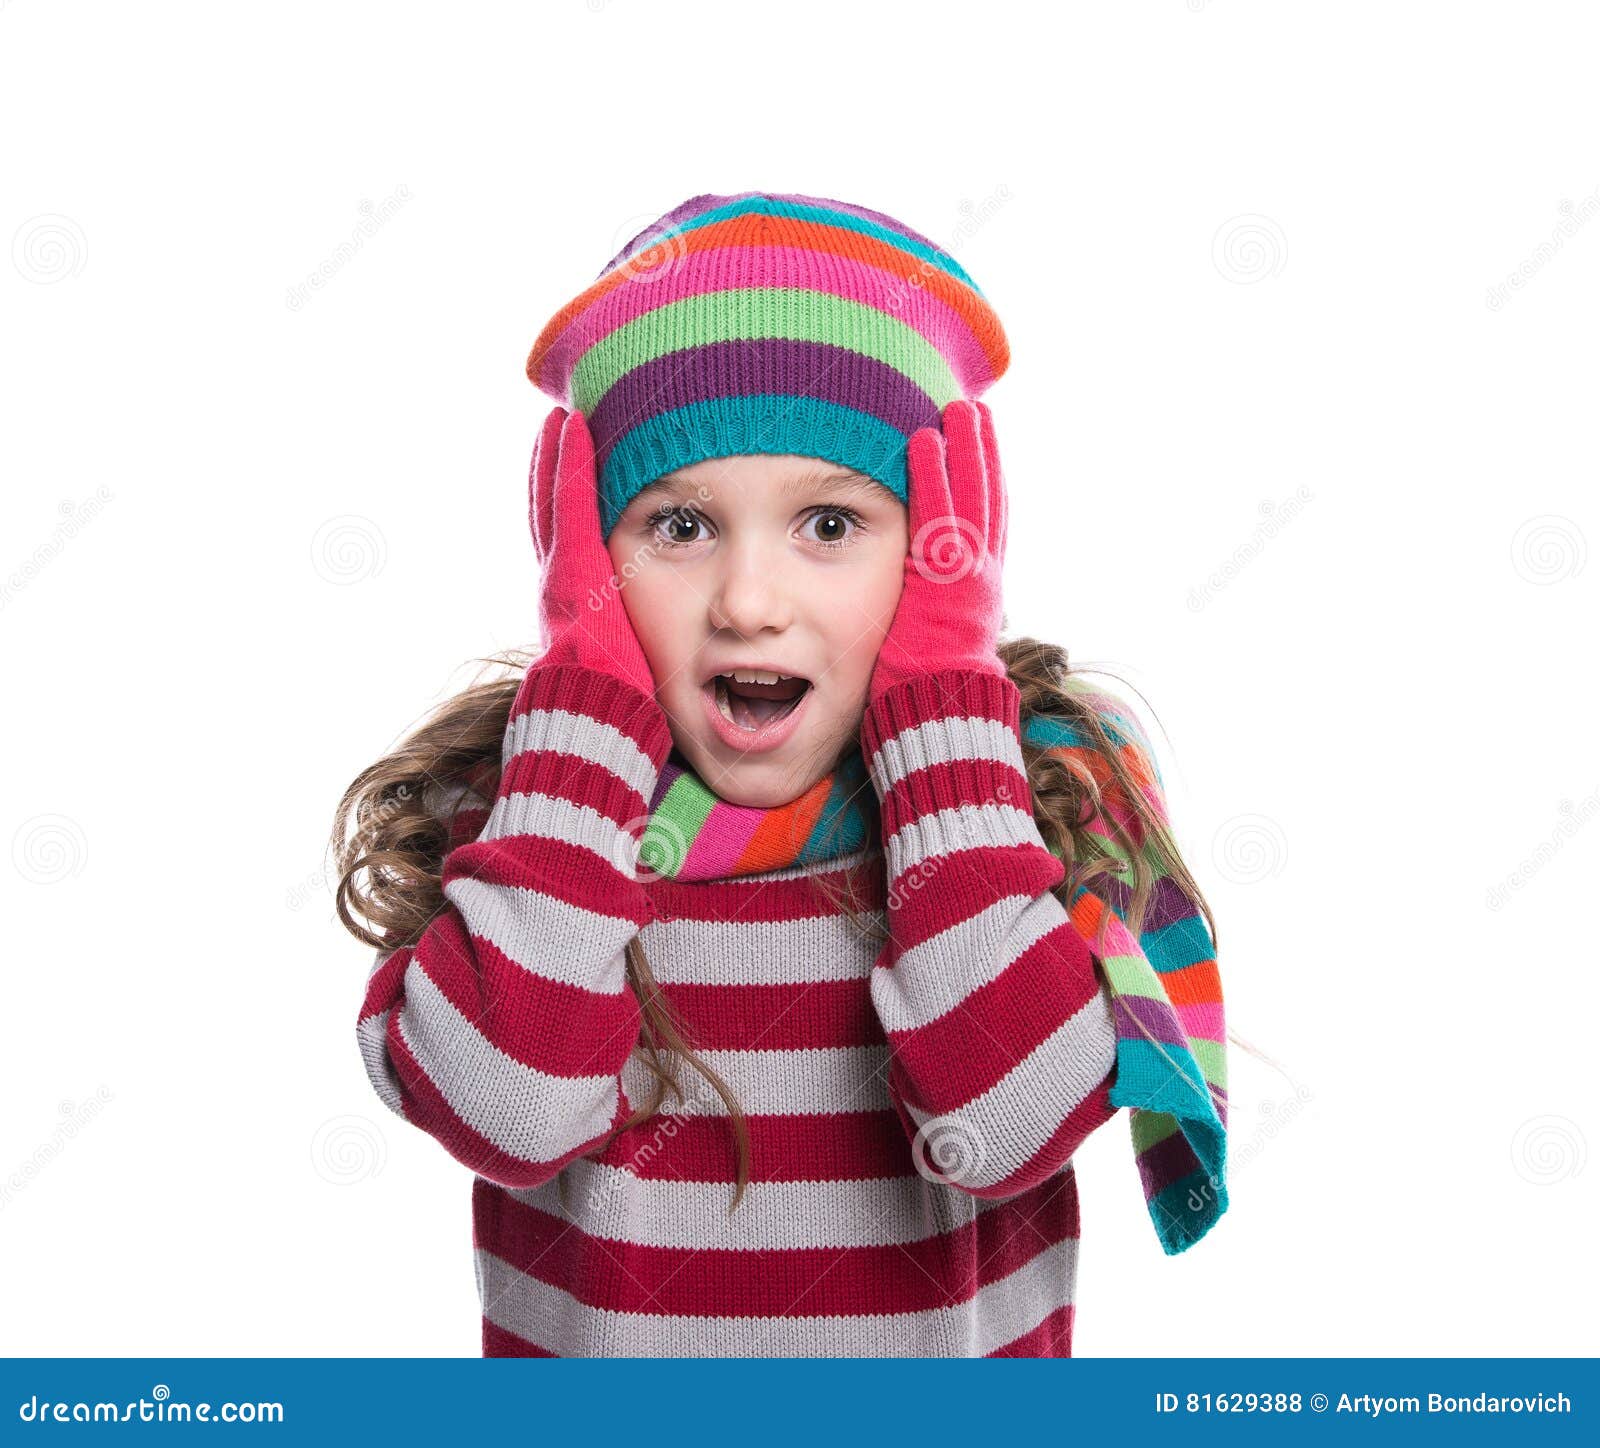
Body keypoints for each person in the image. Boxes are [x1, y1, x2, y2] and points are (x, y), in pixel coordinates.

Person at [333, 191, 1230, 1357]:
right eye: (678, 525)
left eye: (830, 525)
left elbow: (1003, 1120)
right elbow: (511, 1106)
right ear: (579, 553)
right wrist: (578, 727)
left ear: (943, 546)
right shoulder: (526, 825)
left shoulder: (1026, 815)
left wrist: (945, 722)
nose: (751, 603)